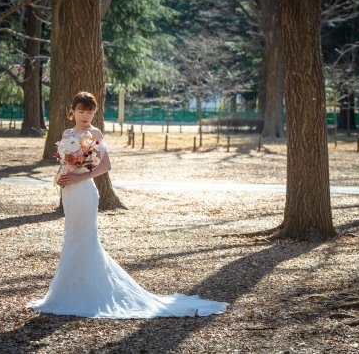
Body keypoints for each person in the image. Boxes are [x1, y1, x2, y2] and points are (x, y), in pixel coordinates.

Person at [27, 91, 228, 319]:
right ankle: (66, 291)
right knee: (71, 237)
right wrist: (62, 177)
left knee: (86, 238)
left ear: (95, 112)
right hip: (69, 192)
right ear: (73, 110)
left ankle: (90, 292)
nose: (86, 116)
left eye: (90, 111)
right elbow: (65, 162)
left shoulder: (94, 133)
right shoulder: (66, 133)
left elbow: (105, 166)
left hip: (85, 191)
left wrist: (78, 178)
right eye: (82, 111)